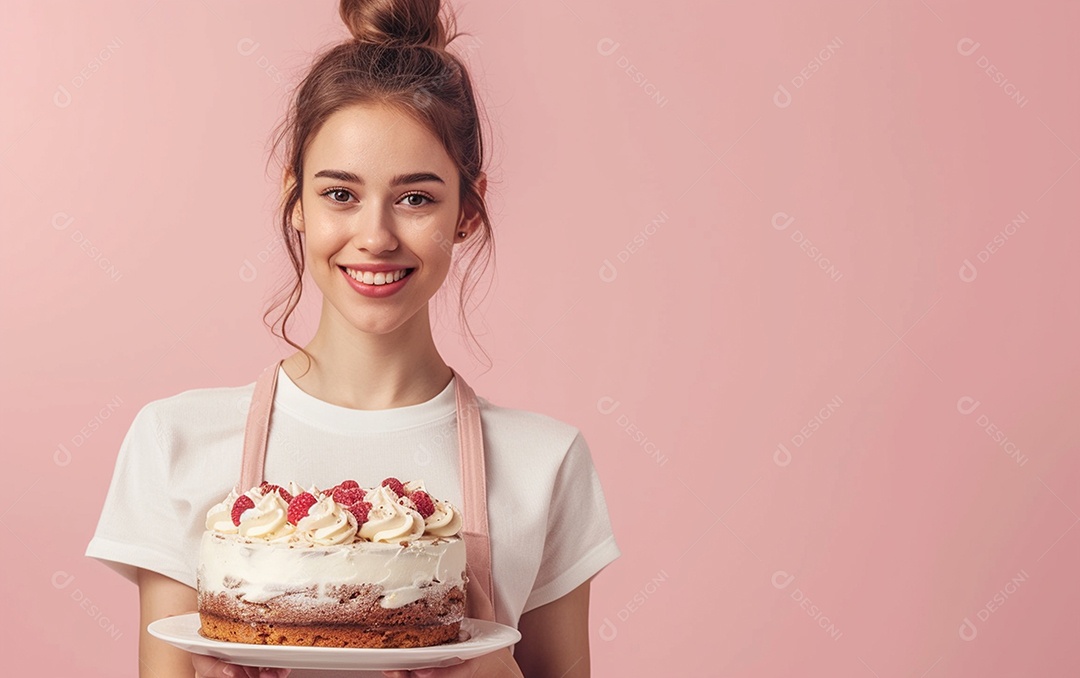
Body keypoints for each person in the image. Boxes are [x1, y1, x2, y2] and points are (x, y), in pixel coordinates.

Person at [83, 1, 621, 676]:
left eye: (416, 198)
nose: (375, 236)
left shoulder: (545, 462)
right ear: (297, 199)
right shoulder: (175, 442)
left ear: (468, 210)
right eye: (340, 193)